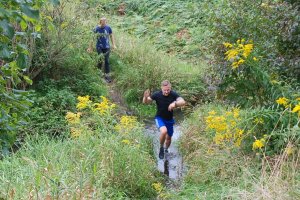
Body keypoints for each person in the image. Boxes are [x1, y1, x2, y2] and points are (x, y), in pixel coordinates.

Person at [143, 80, 186, 159]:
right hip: (159, 118)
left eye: (168, 90)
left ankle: (166, 149)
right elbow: (146, 102)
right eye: (164, 90)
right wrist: (145, 97)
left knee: (169, 138)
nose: (166, 92)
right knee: (164, 131)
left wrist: (175, 104)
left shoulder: (173, 94)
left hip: (169, 119)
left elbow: (183, 102)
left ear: (170, 88)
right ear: (161, 88)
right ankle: (161, 147)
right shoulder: (157, 94)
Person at [87, 17, 116, 83]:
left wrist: (114, 44)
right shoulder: (96, 28)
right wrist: (90, 47)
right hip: (99, 47)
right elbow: (92, 38)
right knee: (100, 60)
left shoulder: (108, 28)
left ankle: (107, 76)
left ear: (106, 22)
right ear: (100, 22)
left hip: (107, 47)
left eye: (105, 23)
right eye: (103, 23)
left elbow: (111, 36)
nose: (104, 24)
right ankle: (98, 74)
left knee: (107, 61)